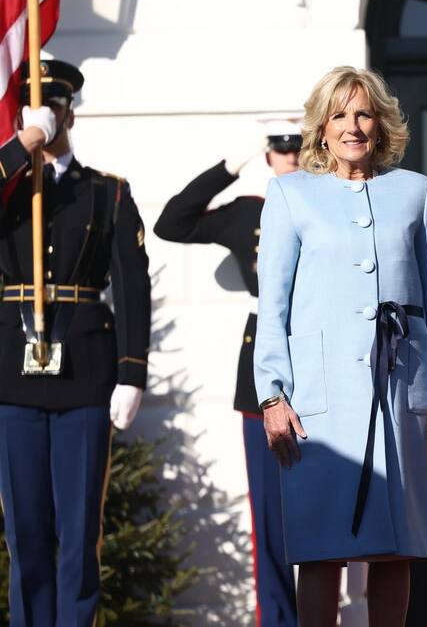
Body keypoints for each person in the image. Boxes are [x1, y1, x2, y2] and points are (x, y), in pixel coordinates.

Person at [254, 67, 427, 627]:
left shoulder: (415, 190)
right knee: (321, 548)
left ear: (381, 123)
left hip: (401, 388)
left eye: (363, 113)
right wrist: (271, 396)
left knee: (397, 545)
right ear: (321, 129)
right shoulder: (290, 193)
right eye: (340, 115)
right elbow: (272, 303)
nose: (353, 126)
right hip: (317, 399)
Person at [0, 59, 151, 626]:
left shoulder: (106, 192)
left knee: (78, 535)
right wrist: (22, 145)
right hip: (13, 374)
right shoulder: (10, 184)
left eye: (53, 108)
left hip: (86, 373)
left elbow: (132, 286)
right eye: (33, 108)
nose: (44, 116)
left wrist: (132, 371)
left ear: (71, 113)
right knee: (27, 535)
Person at [153, 119, 301, 627]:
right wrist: (230, 165)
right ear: (270, 156)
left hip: (326, 361)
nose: (294, 157)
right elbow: (172, 223)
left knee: (337, 511)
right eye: (283, 149)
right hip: (262, 368)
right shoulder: (247, 214)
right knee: (271, 519)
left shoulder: (336, 204)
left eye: (302, 147)